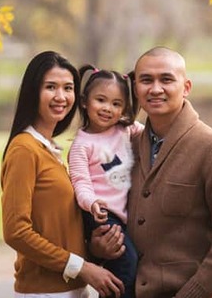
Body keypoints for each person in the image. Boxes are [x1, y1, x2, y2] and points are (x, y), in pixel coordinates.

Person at [91, 46, 212, 297]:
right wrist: (97, 248)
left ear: (186, 87)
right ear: (135, 88)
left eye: (166, 79)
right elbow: (103, 214)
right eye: (146, 80)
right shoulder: (124, 147)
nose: (155, 89)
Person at [1, 50, 125, 298]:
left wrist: (94, 250)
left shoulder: (51, 149)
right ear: (33, 91)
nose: (61, 96)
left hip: (72, 289)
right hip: (44, 292)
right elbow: (16, 231)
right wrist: (83, 268)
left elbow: (58, 228)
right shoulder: (24, 149)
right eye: (51, 87)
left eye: (68, 88)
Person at [68, 66, 144, 298]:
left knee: (130, 264)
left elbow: (154, 133)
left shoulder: (126, 129)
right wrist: (91, 203)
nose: (107, 109)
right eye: (101, 100)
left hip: (123, 214)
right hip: (100, 213)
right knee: (126, 264)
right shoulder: (82, 145)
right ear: (84, 101)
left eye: (116, 104)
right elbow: (80, 182)